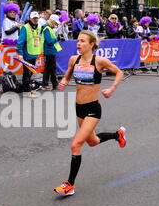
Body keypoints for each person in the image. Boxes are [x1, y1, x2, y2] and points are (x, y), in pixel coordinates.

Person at [54, 30, 126, 196]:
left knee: (76, 144)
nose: (78, 44)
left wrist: (112, 88)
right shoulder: (75, 59)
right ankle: (118, 135)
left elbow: (119, 72)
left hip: (93, 109)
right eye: (78, 41)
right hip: (79, 108)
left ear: (91, 44)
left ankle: (70, 185)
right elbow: (69, 72)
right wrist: (65, 80)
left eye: (82, 41)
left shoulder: (99, 61)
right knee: (92, 141)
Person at [16, 11, 42, 98]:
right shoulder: (25, 28)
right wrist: (20, 53)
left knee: (31, 73)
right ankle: (26, 91)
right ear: (30, 18)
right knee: (26, 73)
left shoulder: (38, 27)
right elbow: (20, 42)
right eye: (34, 18)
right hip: (27, 54)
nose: (35, 20)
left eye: (36, 18)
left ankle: (27, 88)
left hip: (34, 53)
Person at [41, 14, 62, 90]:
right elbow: (49, 41)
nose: (56, 24)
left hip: (50, 51)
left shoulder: (48, 28)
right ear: (52, 21)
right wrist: (57, 38)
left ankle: (46, 84)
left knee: (49, 68)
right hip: (49, 51)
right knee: (51, 68)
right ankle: (54, 84)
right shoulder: (47, 28)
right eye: (55, 22)